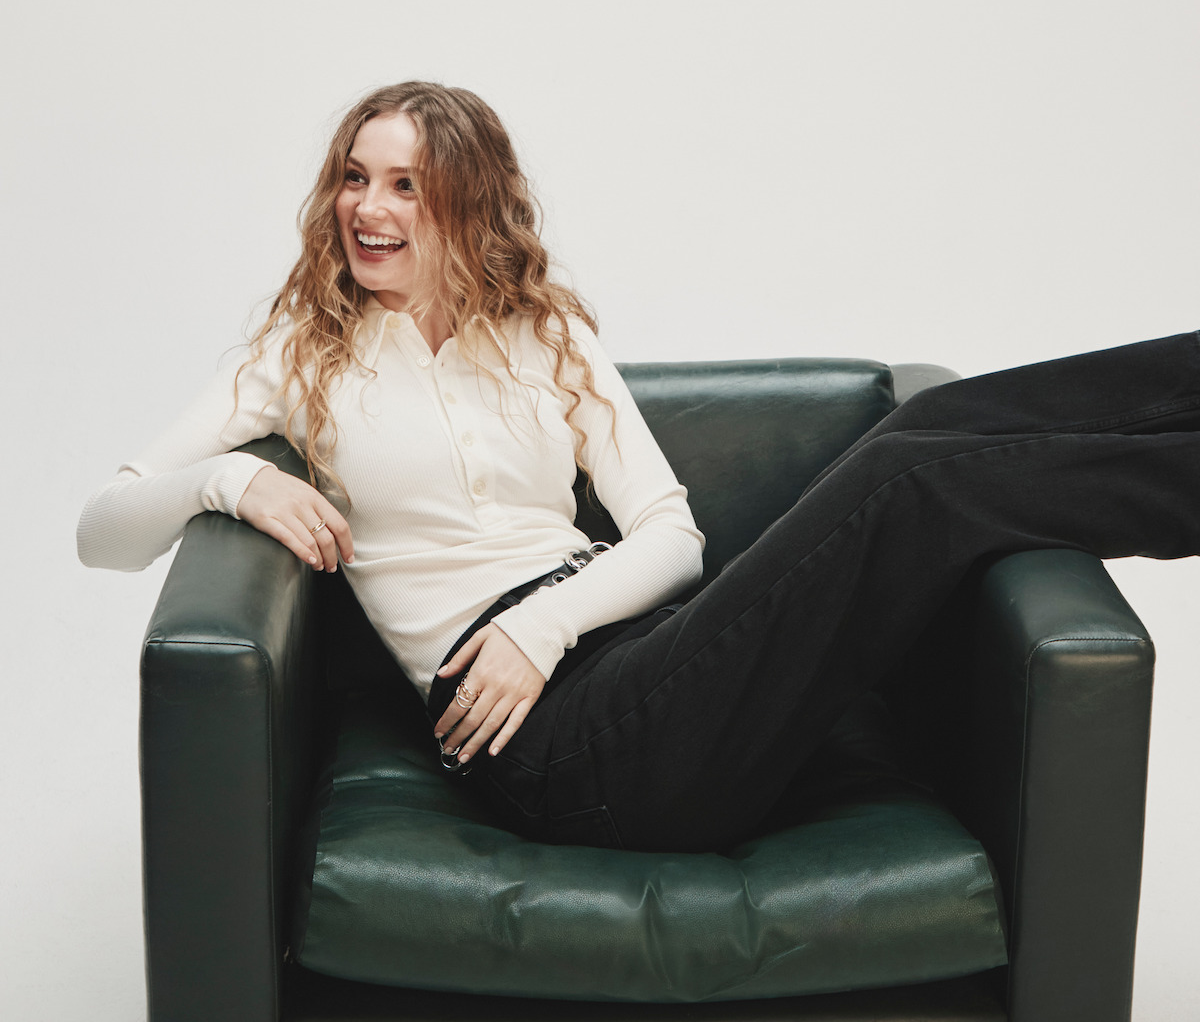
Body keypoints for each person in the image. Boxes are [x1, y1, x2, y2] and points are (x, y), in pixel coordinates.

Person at [77, 80, 1200, 854]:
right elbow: (105, 526)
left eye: (407, 185)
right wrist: (234, 481)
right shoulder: (297, 355)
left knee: (927, 425)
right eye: (355, 178)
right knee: (908, 484)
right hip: (560, 752)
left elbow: (671, 531)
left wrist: (543, 624)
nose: (368, 208)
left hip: (632, 658)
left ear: (468, 201)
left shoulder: (542, 332)